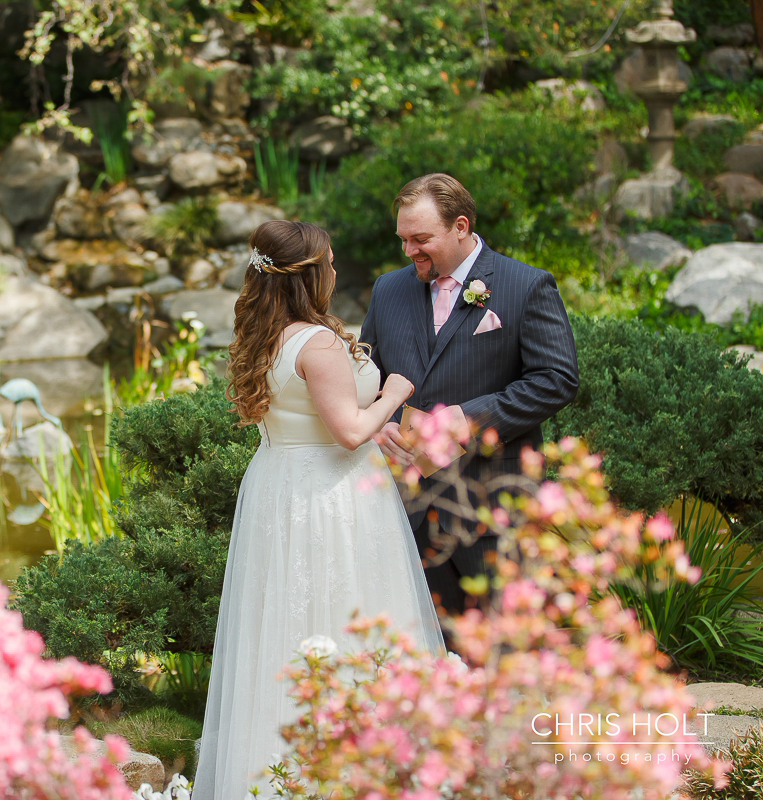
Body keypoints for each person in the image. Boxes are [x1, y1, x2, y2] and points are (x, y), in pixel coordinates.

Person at [192, 220, 444, 800]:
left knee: (285, 626)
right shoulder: (319, 342)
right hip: (329, 499)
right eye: (329, 263)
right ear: (311, 276)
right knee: (343, 610)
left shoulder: (267, 336)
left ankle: (277, 772)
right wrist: (395, 392)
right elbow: (350, 431)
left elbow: (311, 418)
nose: (335, 271)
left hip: (281, 486)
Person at [359, 173, 579, 619]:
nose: (409, 251)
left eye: (421, 239)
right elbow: (369, 379)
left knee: (503, 654)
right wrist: (378, 428)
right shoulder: (388, 290)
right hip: (406, 509)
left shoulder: (527, 286)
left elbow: (556, 379)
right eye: (402, 239)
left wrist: (467, 418)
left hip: (492, 505)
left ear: (461, 227)